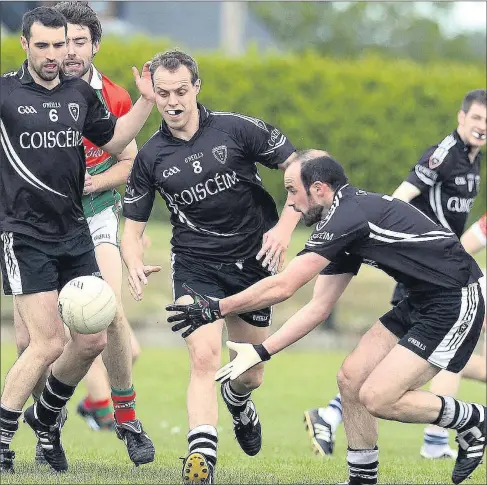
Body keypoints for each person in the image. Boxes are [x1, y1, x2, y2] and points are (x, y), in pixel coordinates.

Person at [167, 150, 486, 485]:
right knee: (351, 378)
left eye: (293, 190)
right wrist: (261, 351)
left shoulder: (348, 217)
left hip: (456, 298)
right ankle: (362, 479)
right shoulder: (343, 222)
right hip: (423, 299)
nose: (291, 202)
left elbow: (286, 284)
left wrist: (216, 307)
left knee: (378, 397)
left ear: (318, 188)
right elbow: (318, 307)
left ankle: (475, 420)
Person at [121, 49, 299, 483]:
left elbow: (299, 167)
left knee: (251, 374)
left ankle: (238, 402)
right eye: (162, 93)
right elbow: (132, 229)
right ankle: (201, 457)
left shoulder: (237, 129)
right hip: (196, 265)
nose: (172, 101)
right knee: (204, 356)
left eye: (181, 90)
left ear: (197, 87)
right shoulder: (150, 157)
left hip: (255, 263)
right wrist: (133, 261)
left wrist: (286, 227)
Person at [0, 6, 155, 473]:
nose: (53, 54)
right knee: (44, 343)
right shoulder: (5, 91)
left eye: (60, 44)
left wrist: (146, 102)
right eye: (43, 45)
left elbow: (114, 143)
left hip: (74, 233)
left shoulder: (77, 95)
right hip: (24, 235)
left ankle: (46, 416)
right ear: (25, 44)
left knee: (91, 339)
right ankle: (5, 436)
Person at [304, 89, 486, 459]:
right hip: (425, 274)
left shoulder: (472, 162)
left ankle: (431, 439)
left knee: (429, 356)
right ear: (461, 117)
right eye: (477, 118)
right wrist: (386, 241)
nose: (482, 127)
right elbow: (397, 200)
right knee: (422, 360)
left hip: (443, 273)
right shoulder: (444, 156)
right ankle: (332, 412)